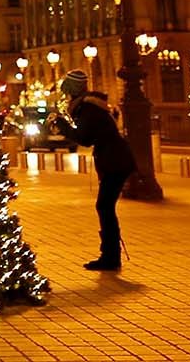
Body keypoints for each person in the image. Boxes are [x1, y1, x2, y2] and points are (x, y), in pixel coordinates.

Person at [54, 69, 135, 271]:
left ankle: (110, 256)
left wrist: (61, 124)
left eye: (67, 92)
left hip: (115, 162)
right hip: (114, 160)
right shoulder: (90, 107)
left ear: (73, 91)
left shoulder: (89, 109)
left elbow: (84, 138)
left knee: (105, 207)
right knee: (105, 207)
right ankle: (110, 254)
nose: (66, 97)